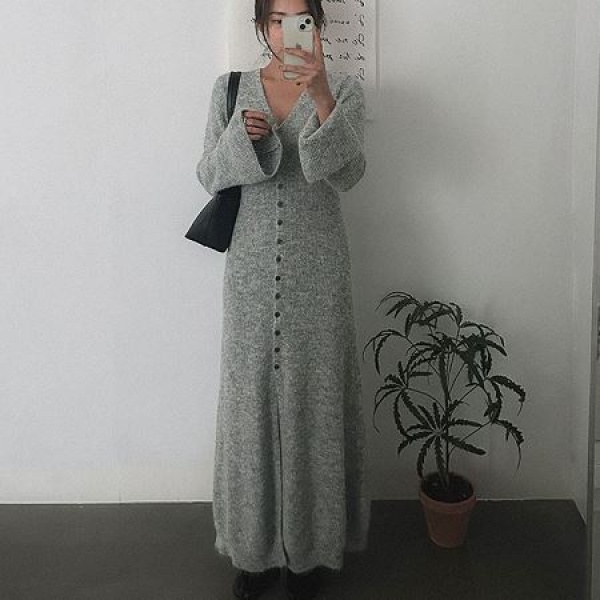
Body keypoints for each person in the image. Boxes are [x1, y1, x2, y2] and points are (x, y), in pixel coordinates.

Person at [196, 1, 371, 598]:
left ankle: (311, 552)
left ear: (317, 25)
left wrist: (320, 96)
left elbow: (349, 175)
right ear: (261, 26)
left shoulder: (345, 90)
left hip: (318, 272)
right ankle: (255, 552)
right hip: (249, 274)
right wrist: (239, 141)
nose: (288, 29)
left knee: (316, 405)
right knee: (249, 409)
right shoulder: (228, 90)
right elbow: (209, 174)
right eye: (276, 18)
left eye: (301, 18)